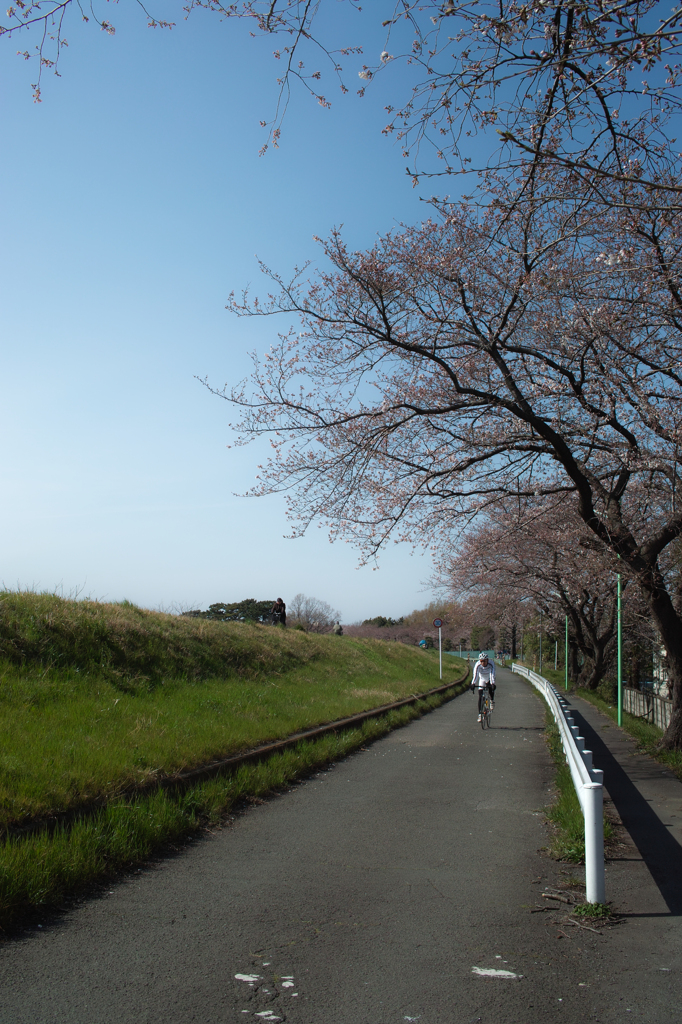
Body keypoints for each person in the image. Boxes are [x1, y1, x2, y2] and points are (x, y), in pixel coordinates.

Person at [470, 652, 496, 722]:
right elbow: (475, 675)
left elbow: (492, 674)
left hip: (489, 678)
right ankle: (480, 715)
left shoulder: (491, 663)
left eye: (484, 661)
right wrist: (473, 684)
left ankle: (492, 701)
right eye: (481, 661)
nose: (483, 663)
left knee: (490, 689)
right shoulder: (477, 665)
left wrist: (493, 683)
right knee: (480, 697)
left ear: (487, 660)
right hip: (482, 679)